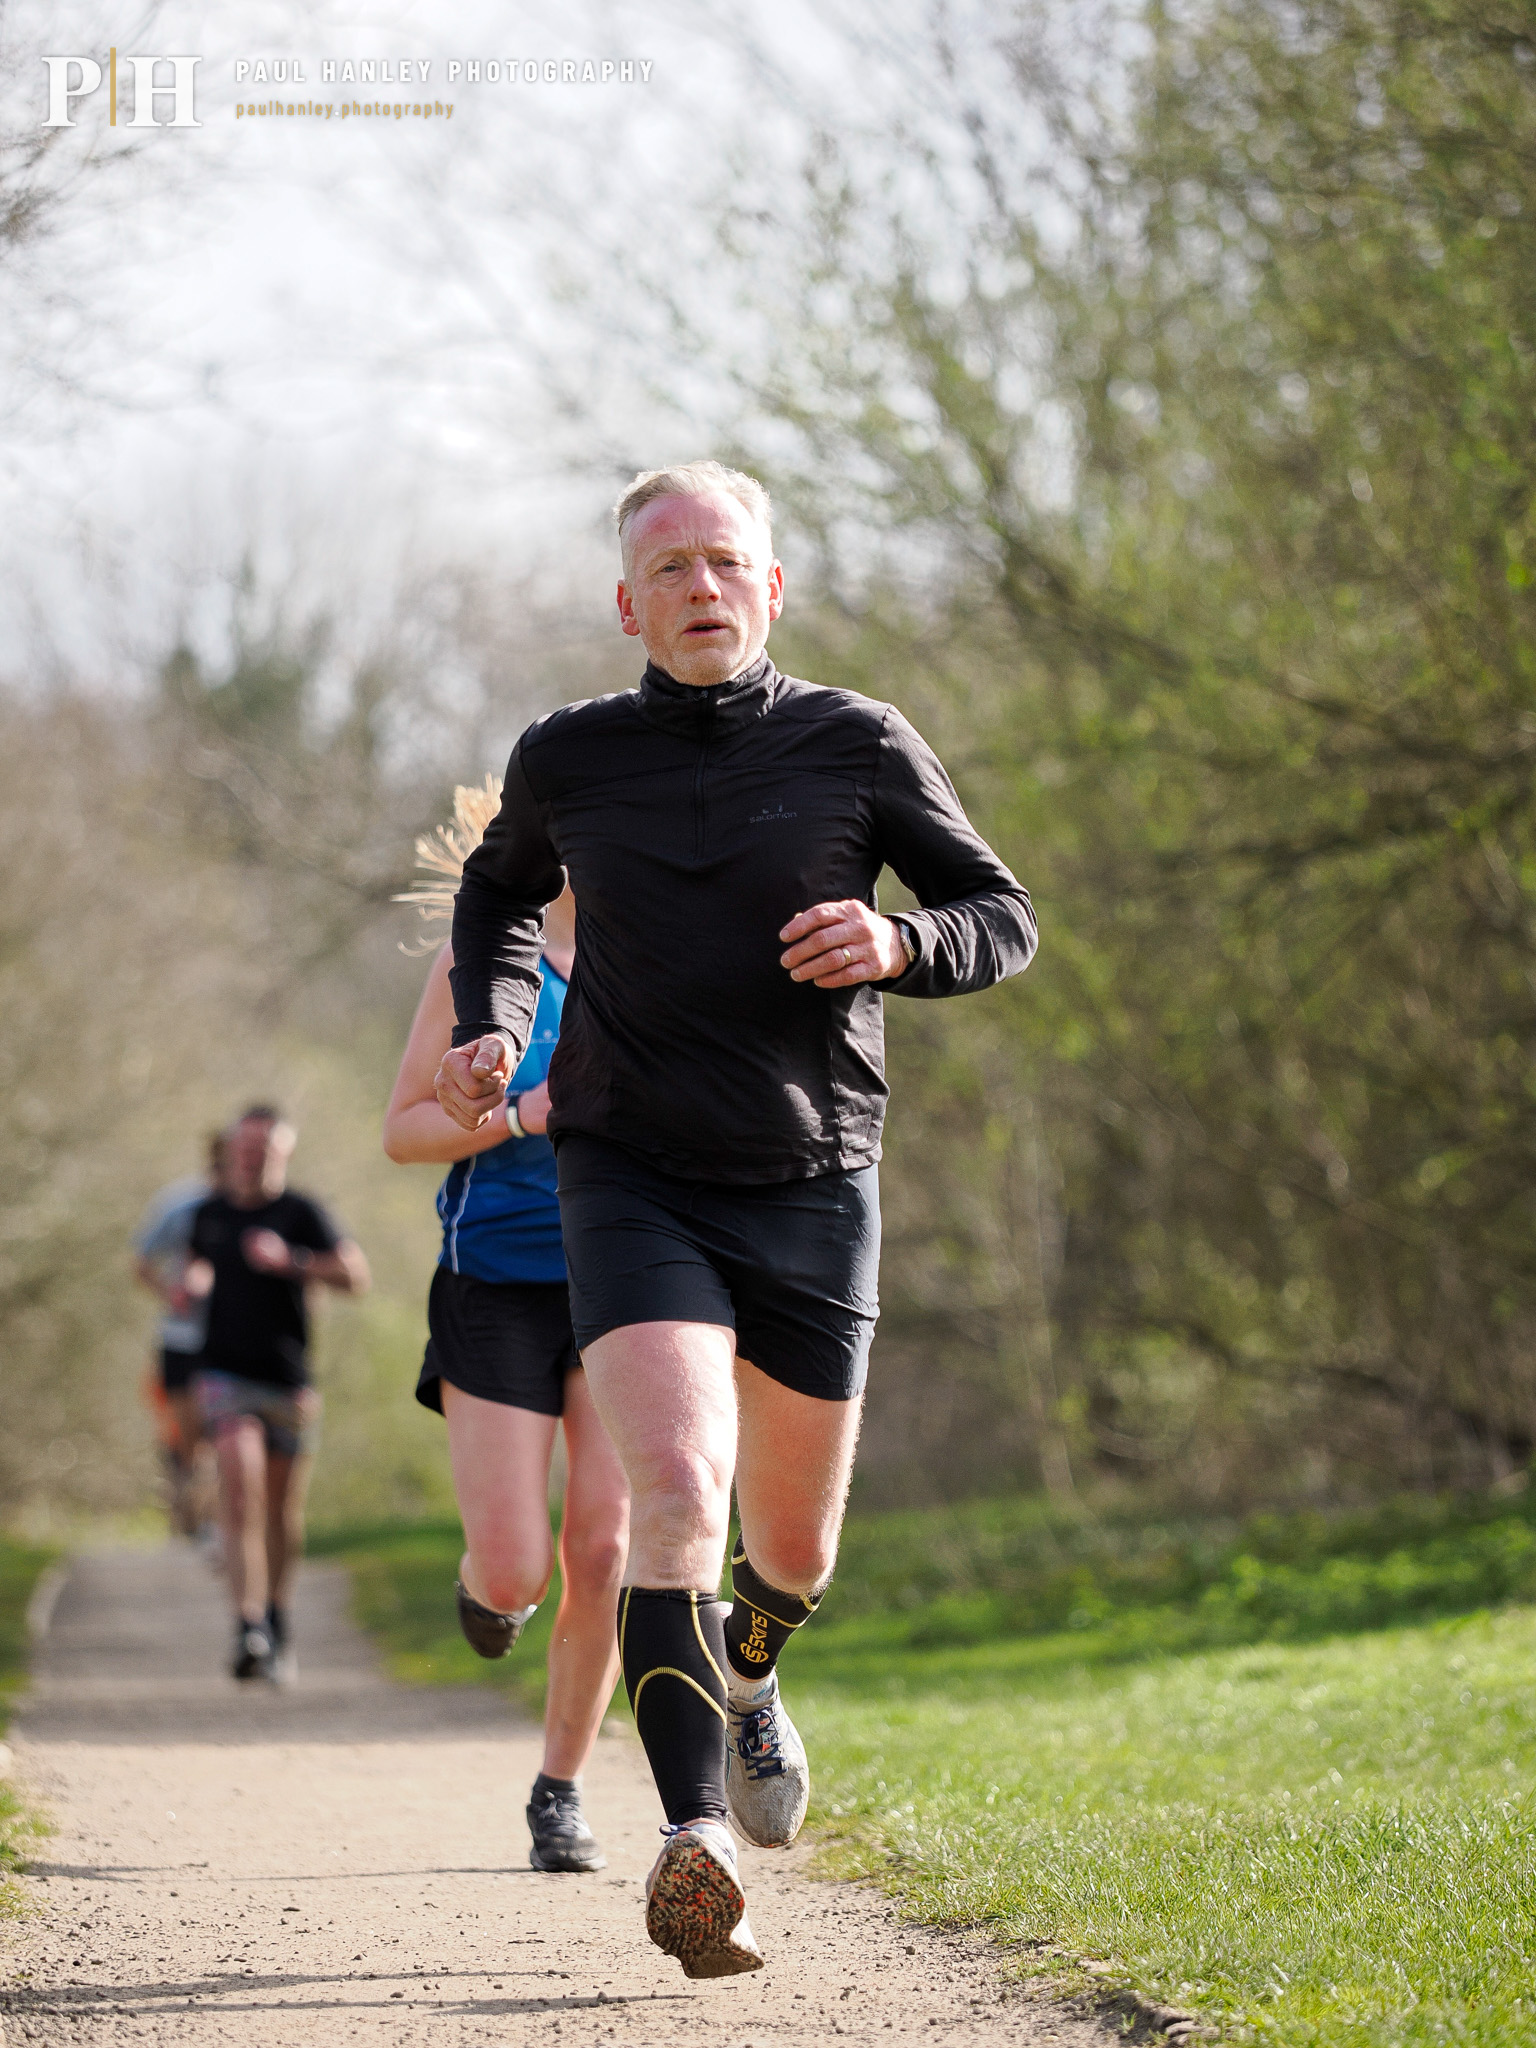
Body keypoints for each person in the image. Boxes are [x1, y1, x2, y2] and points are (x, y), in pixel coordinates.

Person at [435, 459, 1037, 1976]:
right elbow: (501, 900)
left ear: (770, 590)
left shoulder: (856, 741)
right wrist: (504, 1024)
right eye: (672, 569)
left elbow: (1003, 916)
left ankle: (753, 1672)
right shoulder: (570, 757)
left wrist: (901, 939)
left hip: (815, 1177)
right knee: (676, 1493)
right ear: (625, 604)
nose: (702, 589)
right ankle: (694, 1845)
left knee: (793, 1549)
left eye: (728, 564)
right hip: (627, 1171)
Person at [383, 810, 629, 1875]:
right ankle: (490, 1587)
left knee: (608, 1551)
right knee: (524, 1567)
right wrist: (521, 1114)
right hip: (496, 1281)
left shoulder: (658, 950)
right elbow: (404, 1130)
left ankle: (561, 1787)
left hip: (629, 1279)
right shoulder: (477, 963)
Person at [185, 1107, 370, 1683]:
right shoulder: (208, 1215)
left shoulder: (303, 1212)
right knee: (239, 1491)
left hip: (289, 1381)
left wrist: (291, 1261)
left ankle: (277, 1616)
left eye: (264, 1147)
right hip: (223, 1377)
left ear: (282, 1152)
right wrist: (186, 1282)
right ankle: (248, 1626)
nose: (251, 1155)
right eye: (243, 1145)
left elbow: (355, 1276)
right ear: (230, 1150)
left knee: (282, 1511)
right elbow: (190, 1267)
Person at [132, 1134, 225, 1542]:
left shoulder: (256, 1208)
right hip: (180, 1338)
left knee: (223, 1430)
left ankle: (216, 1521)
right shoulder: (180, 1205)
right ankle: (193, 1520)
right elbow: (141, 1261)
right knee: (187, 1436)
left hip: (229, 1339)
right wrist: (172, 1292)